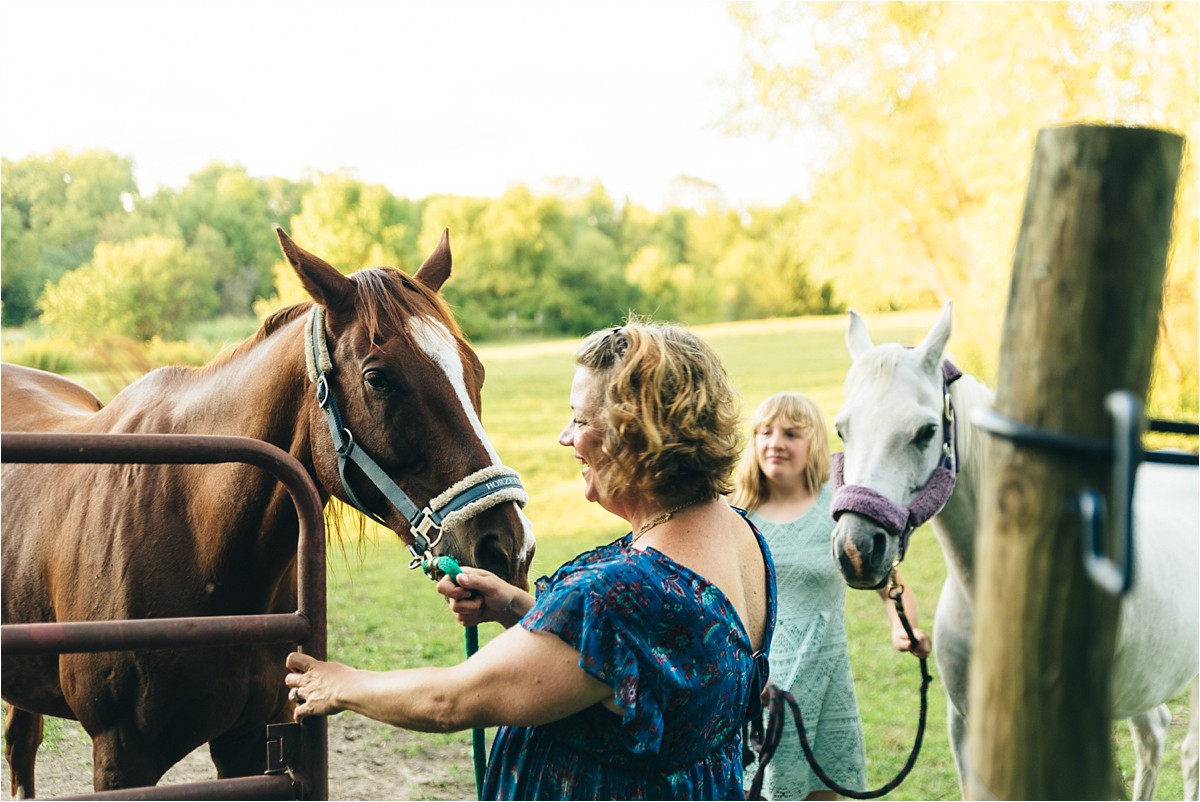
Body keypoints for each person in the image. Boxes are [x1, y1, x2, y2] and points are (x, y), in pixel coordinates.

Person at [285, 319, 778, 800]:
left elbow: (449, 701)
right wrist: (519, 608)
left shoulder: (616, 598)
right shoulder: (742, 537)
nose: (565, 437)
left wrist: (343, 685)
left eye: (580, 420)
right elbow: (637, 666)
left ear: (637, 435)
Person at [732, 392, 931, 801]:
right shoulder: (736, 515)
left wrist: (902, 629)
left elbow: (891, 586)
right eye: (764, 432)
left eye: (791, 433)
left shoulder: (837, 513)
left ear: (815, 443)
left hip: (824, 674)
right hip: (760, 681)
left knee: (822, 791)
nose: (775, 443)